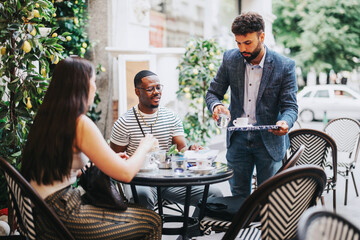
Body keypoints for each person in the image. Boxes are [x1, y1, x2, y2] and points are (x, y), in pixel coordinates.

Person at [21, 57, 162, 240]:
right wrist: (144, 145)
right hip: (62, 214)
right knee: (152, 220)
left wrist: (110, 161)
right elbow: (126, 174)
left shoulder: (48, 118)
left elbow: (61, 165)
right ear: (82, 85)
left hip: (42, 212)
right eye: (93, 81)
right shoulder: (79, 123)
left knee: (136, 213)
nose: (95, 88)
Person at [205, 12, 298, 199]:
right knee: (238, 198)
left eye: (247, 43)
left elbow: (290, 107)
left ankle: (267, 229)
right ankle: (242, 229)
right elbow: (213, 93)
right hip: (237, 140)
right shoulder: (230, 59)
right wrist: (216, 106)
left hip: (269, 142)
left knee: (269, 198)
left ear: (261, 37)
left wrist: (285, 123)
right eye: (238, 43)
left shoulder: (284, 65)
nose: (242, 49)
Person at [110, 70, 223, 210]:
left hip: (169, 180)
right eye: (150, 89)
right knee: (142, 195)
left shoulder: (171, 117)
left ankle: (193, 230)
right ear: (137, 92)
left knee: (213, 194)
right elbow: (114, 160)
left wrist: (190, 149)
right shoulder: (124, 122)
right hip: (140, 181)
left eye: (158, 87)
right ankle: (150, 231)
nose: (156, 92)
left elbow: (181, 148)